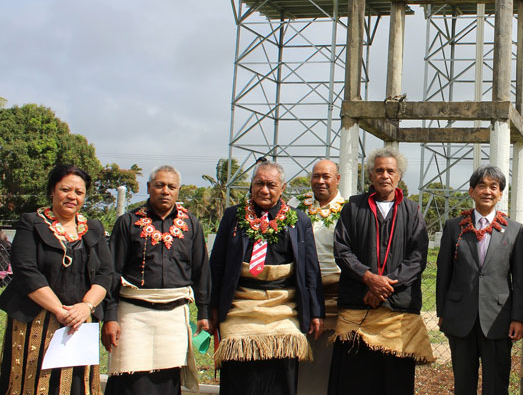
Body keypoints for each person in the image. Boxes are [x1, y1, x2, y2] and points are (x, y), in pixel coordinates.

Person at [209, 160, 324, 395]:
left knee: (281, 375)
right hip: (239, 307)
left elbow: (310, 269)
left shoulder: (299, 221)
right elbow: (217, 265)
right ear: (251, 186)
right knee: (240, 376)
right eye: (259, 183)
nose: (264, 190)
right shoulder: (233, 217)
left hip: (284, 308)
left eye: (271, 185)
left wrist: (316, 311)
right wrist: (209, 308)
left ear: (282, 188)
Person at [0, 165, 113, 395]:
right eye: (65, 189)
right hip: (36, 319)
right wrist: (59, 311)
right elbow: (26, 270)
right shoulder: (31, 222)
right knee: (31, 384)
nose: (72, 196)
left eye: (79, 192)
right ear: (52, 191)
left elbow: (106, 273)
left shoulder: (93, 228)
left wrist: (86, 306)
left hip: (80, 323)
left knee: (77, 384)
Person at [329, 147, 434, 395]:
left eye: (390, 171)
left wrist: (384, 287)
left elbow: (417, 257)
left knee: (394, 382)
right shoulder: (353, 208)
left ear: (399, 176)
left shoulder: (412, 211)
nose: (384, 175)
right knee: (355, 382)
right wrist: (368, 277)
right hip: (358, 306)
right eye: (379, 171)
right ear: (371, 176)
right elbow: (342, 250)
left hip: (397, 310)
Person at [103, 165, 212, 395]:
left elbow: (202, 271)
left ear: (178, 190)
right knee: (130, 380)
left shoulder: (191, 224)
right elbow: (112, 273)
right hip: (133, 314)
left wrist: (203, 313)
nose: (165, 191)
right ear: (148, 188)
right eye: (159, 185)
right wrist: (110, 317)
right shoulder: (127, 222)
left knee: (166, 380)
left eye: (171, 186)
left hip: (173, 317)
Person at [436, 165, 523, 395]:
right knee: (463, 383)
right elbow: (443, 273)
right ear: (471, 191)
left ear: (500, 194)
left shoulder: (514, 230)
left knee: (496, 384)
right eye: (482, 186)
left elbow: (520, 280)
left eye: (493, 187)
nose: (487, 191)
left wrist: (518, 317)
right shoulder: (453, 227)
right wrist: (442, 312)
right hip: (460, 317)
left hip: (498, 319)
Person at [296, 159, 346, 395]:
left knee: (331, 362)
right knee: (303, 360)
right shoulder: (296, 210)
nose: (321, 181)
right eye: (316, 176)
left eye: (326, 176)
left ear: (337, 179)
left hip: (336, 296)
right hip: (300, 294)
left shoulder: (349, 211)